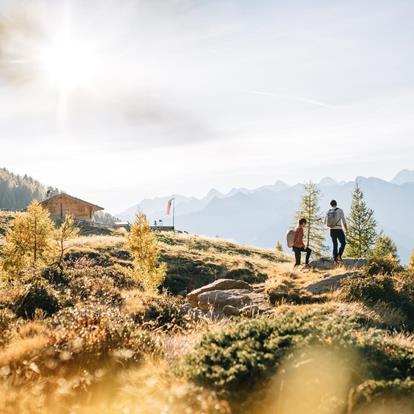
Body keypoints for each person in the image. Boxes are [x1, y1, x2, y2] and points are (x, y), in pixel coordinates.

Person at [325, 200, 348, 264]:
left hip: (332, 230)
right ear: (336, 204)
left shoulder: (328, 211)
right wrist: (346, 230)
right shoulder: (340, 210)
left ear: (331, 205)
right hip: (339, 229)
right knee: (343, 243)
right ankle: (339, 256)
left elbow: (325, 222)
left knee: (335, 244)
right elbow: (344, 221)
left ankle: (335, 259)